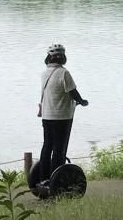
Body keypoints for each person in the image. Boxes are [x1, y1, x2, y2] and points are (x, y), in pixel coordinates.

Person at [37, 43, 88, 188]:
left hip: (47, 116)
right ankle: (55, 181)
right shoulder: (64, 73)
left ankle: (43, 178)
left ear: (48, 58)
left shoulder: (44, 73)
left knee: (47, 146)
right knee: (59, 149)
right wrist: (82, 102)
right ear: (63, 58)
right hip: (62, 117)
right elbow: (73, 92)